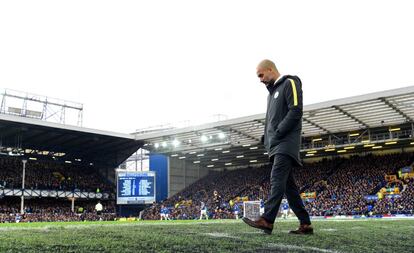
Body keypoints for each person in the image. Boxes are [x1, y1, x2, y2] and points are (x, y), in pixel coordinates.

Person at [242, 59, 313, 235]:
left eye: (261, 74)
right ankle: (306, 224)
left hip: (286, 143)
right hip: (276, 144)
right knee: (290, 189)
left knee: (276, 179)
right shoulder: (271, 94)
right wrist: (266, 137)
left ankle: (267, 219)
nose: (260, 79)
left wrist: (278, 132)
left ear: (270, 69)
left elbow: (296, 110)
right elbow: (273, 120)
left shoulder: (290, 82)